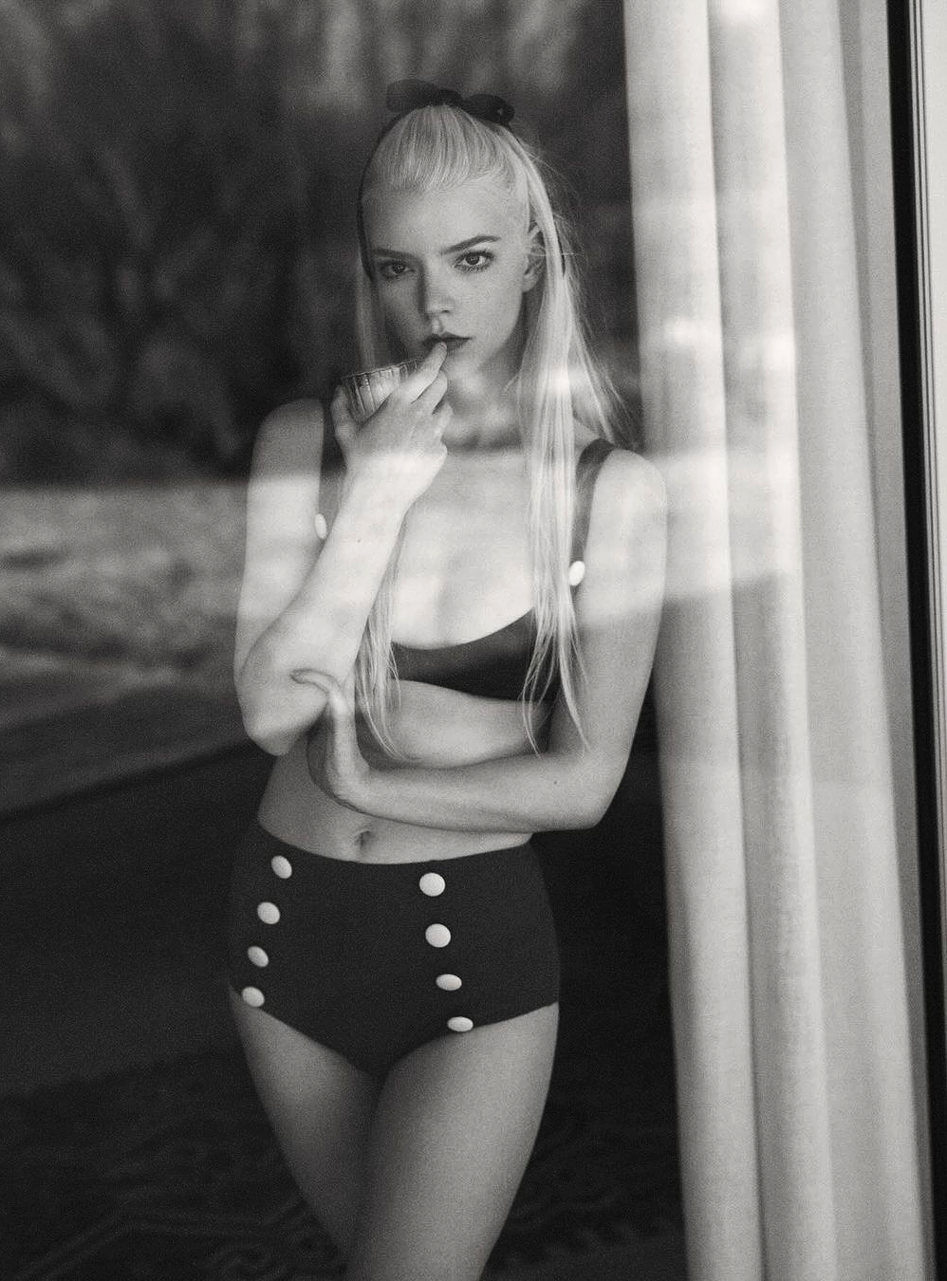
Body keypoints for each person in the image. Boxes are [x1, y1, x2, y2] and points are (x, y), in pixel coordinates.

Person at [228, 79, 667, 1281]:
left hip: (466, 954)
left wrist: (375, 778)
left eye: (470, 258)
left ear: (532, 255)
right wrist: (374, 496)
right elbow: (270, 713)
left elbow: (580, 783)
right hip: (282, 935)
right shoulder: (302, 444)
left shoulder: (606, 494)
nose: (434, 301)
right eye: (397, 268)